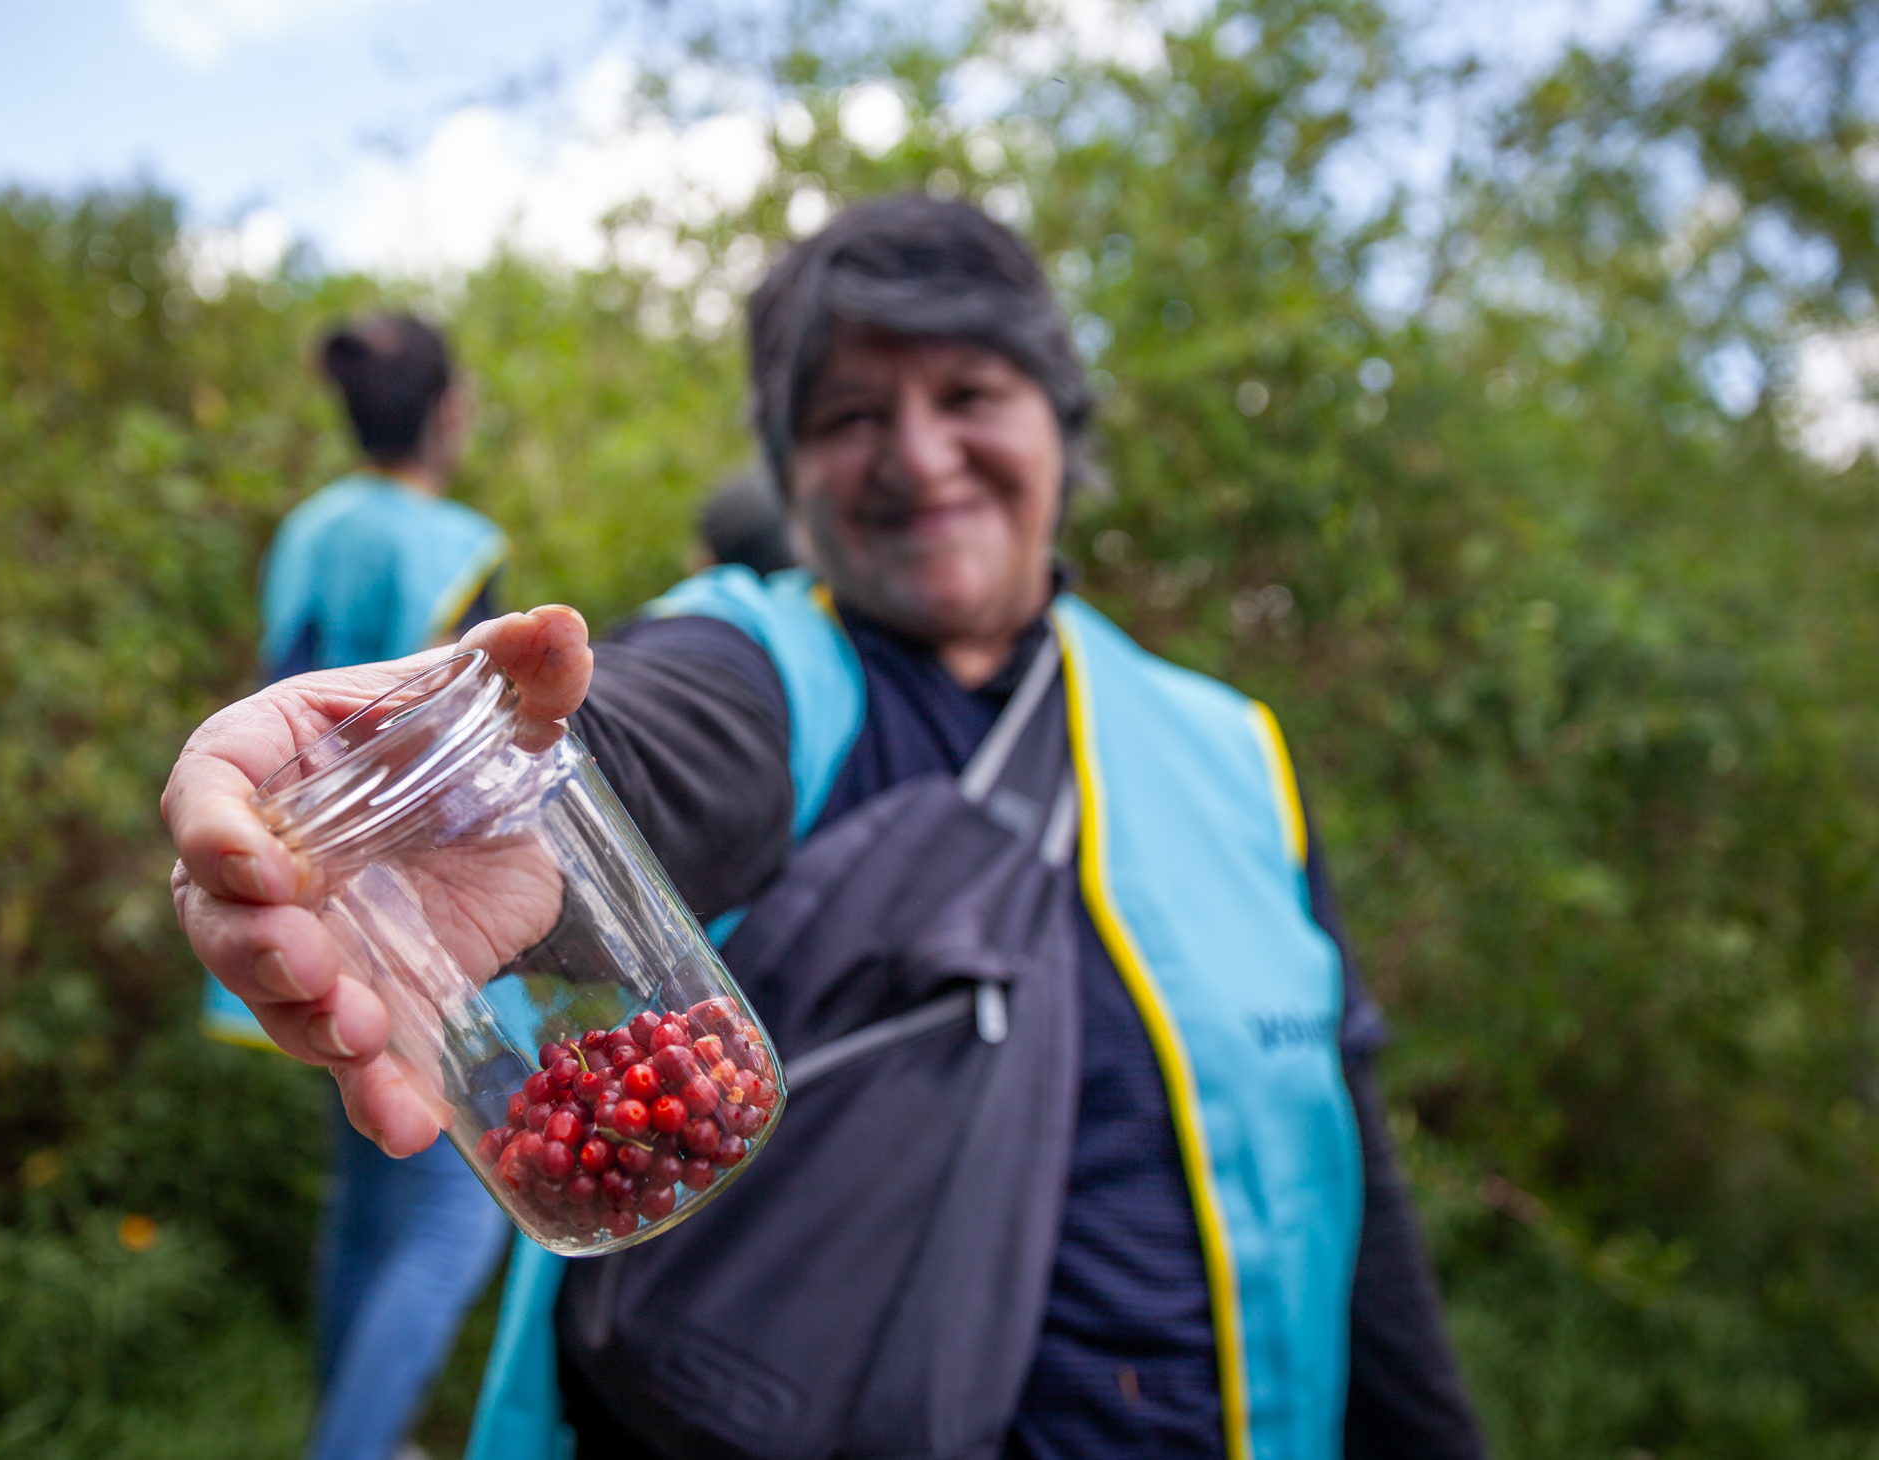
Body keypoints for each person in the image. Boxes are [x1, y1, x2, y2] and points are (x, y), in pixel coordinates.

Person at [165, 198, 1487, 1459]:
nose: (918, 456)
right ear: (792, 469)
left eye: (970, 395)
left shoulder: (1230, 750)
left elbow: (1345, 1165)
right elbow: (651, 728)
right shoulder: (767, 663)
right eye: (853, 414)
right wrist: (471, 793)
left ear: (1058, 424)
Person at [198, 312, 513, 1460]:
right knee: (450, 1216)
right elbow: (475, 754)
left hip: (290, 897)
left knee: (369, 1178)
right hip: (415, 919)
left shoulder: (307, 526)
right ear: (446, 411)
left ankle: (357, 1431)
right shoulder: (454, 543)